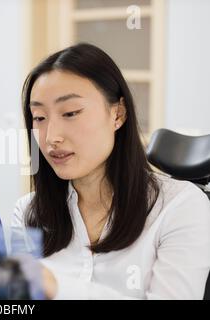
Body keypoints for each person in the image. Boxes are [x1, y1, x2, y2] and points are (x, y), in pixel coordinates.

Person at [12, 43, 210, 299]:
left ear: (118, 114)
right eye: (39, 117)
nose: (51, 138)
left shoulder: (180, 207)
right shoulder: (28, 212)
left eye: (70, 113)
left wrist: (58, 287)